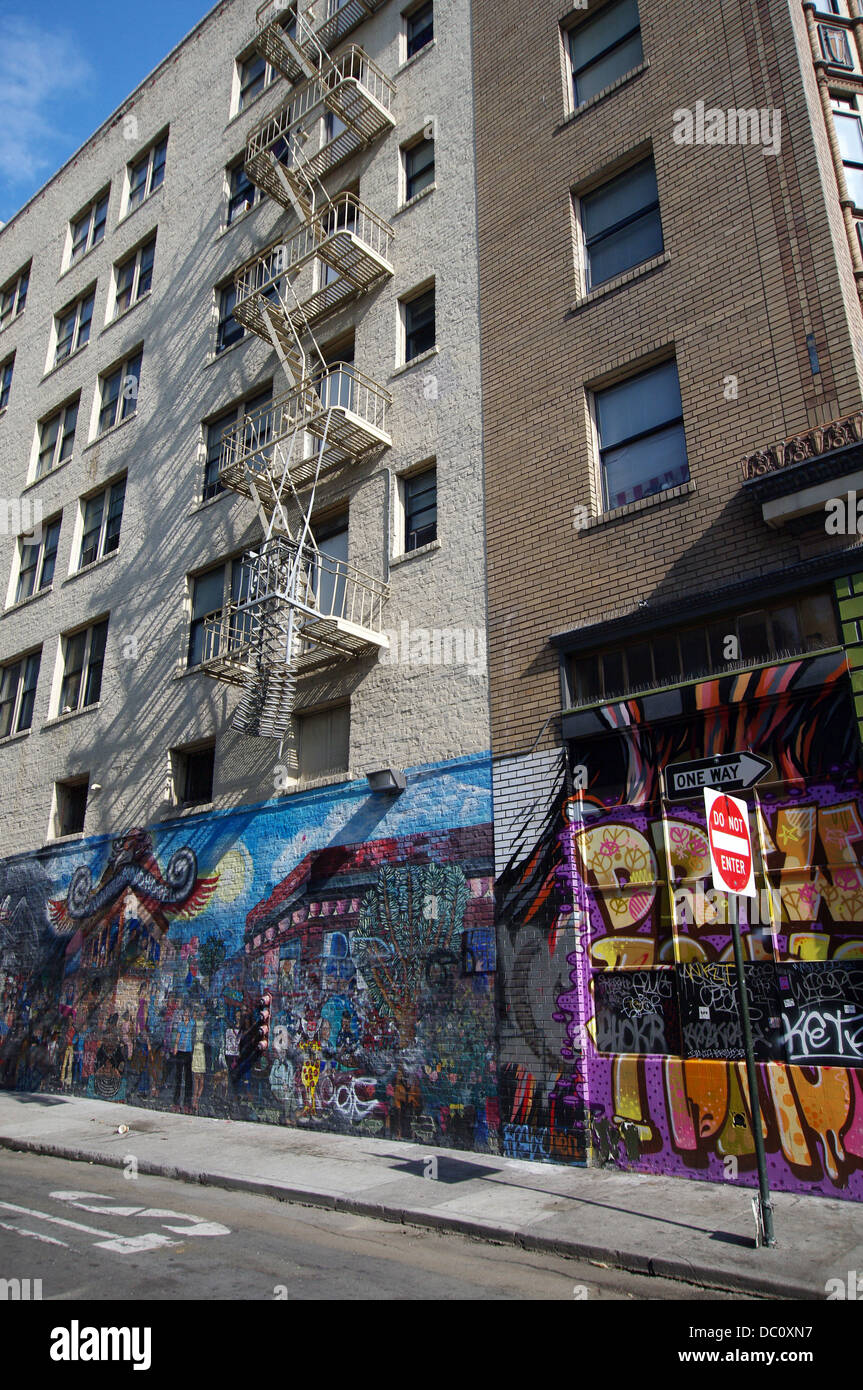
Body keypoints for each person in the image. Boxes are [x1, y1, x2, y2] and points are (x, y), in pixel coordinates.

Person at [172, 1005, 194, 1111]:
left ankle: (187, 1103)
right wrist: (175, 1046)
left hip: (188, 1052)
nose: (186, 1016)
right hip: (180, 1051)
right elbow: (178, 1036)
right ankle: (176, 1102)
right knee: (178, 1077)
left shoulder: (192, 1024)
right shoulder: (180, 1025)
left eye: (187, 1014)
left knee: (188, 1078)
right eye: (184, 1014)